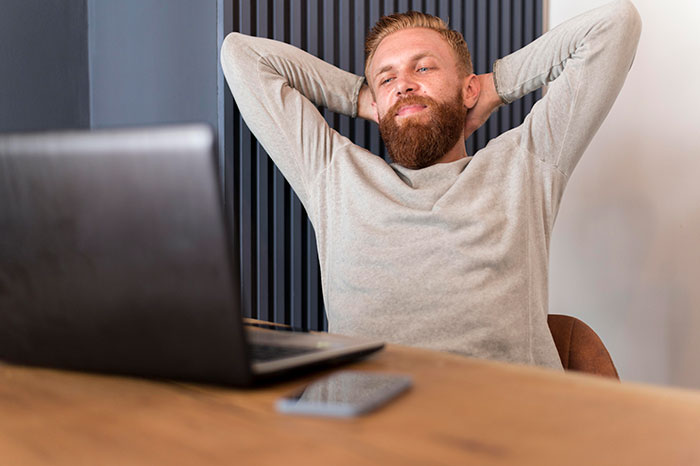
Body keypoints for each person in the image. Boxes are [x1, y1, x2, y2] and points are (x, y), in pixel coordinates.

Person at [220, 0, 641, 369]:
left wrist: (492, 88)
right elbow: (240, 54)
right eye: (386, 78)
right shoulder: (333, 173)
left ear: (468, 87)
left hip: (505, 430)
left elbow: (616, 24)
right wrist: (362, 96)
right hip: (357, 434)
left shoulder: (526, 163)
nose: (403, 83)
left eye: (423, 67)